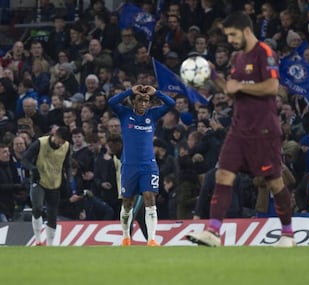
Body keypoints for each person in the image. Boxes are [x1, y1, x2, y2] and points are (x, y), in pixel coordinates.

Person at [186, 11, 296, 247]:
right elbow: (231, 91)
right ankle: (213, 232)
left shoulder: (265, 53)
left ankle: (288, 234)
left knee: (274, 181)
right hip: (238, 130)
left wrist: (240, 88)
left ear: (246, 30)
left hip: (264, 130)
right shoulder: (237, 58)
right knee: (222, 175)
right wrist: (212, 75)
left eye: (233, 35)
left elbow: (271, 87)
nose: (231, 40)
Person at [108, 84, 175, 246]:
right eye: (140, 100)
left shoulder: (152, 115)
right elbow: (111, 102)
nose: (143, 104)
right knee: (127, 203)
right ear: (133, 102)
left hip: (148, 165)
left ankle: (152, 239)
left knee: (149, 198)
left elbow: (171, 104)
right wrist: (130, 91)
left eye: (146, 101)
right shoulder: (125, 114)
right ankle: (126, 236)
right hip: (129, 166)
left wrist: (156, 92)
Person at [22, 127, 72, 246]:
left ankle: (50, 244)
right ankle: (38, 239)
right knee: (37, 207)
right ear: (55, 135)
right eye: (60, 139)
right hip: (39, 181)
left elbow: (67, 164)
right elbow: (24, 159)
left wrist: (69, 179)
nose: (61, 143)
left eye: (64, 141)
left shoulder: (66, 147)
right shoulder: (40, 143)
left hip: (55, 182)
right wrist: (33, 169)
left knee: (52, 214)